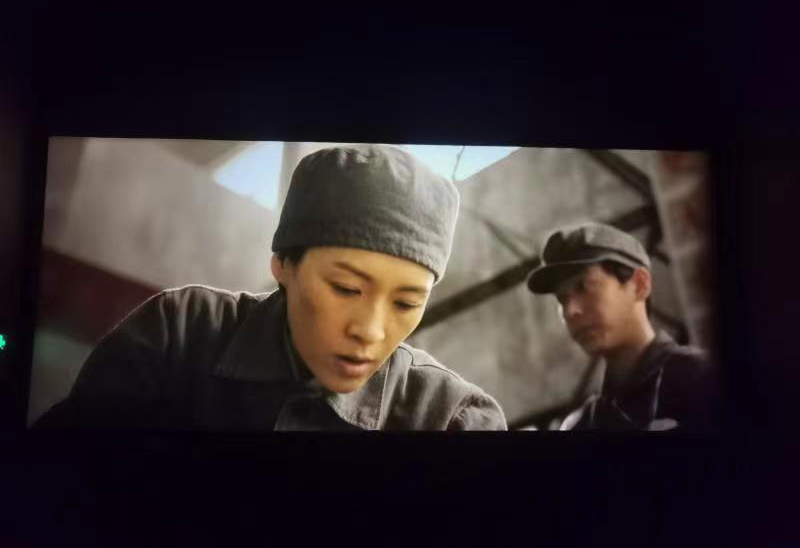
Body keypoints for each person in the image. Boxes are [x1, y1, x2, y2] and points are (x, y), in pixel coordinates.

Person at [35, 145, 507, 431]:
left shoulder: (452, 417)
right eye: (345, 288)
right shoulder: (180, 335)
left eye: (406, 302)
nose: (370, 330)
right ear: (282, 264)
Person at [526, 222, 719, 431]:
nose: (570, 310)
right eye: (562, 299)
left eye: (584, 286)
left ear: (639, 285)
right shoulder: (584, 425)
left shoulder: (704, 379)